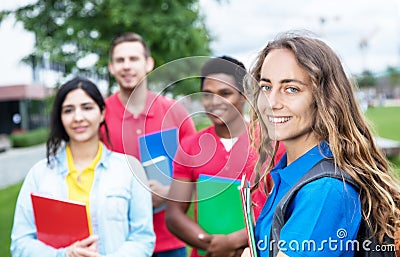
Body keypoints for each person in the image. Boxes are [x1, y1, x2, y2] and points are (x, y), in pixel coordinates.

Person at [247, 32, 400, 256]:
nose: (271, 102)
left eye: (291, 89)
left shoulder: (324, 190)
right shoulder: (291, 170)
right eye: (266, 87)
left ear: (324, 98)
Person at [10, 77, 155, 257]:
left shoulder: (129, 168)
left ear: (102, 113)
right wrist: (64, 254)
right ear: (61, 118)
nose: (78, 117)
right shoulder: (40, 174)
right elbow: (20, 243)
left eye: (87, 108)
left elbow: (143, 238)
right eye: (69, 110)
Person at [166, 56, 285, 257]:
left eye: (225, 93)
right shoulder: (190, 147)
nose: (214, 102)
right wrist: (211, 244)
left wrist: (232, 242)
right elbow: (174, 214)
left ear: (244, 96)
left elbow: (282, 210)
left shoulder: (274, 145)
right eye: (208, 95)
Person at [102, 32, 196, 257]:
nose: (127, 66)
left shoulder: (175, 112)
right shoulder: (99, 116)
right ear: (111, 67)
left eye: (133, 59)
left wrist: (171, 191)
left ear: (148, 63)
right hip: (119, 241)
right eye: (120, 60)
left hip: (171, 238)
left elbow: (198, 172)